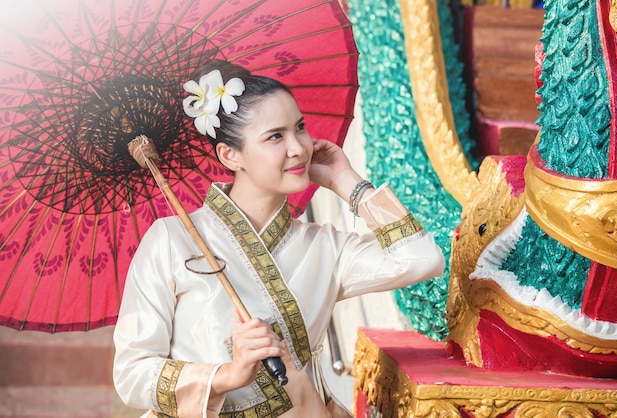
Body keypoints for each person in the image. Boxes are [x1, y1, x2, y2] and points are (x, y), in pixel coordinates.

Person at [113, 59, 445, 418]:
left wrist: (347, 183)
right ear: (230, 155)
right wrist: (226, 375)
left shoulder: (325, 247)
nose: (298, 148)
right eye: (276, 136)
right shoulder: (171, 240)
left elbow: (423, 259)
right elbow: (132, 374)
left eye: (299, 128)